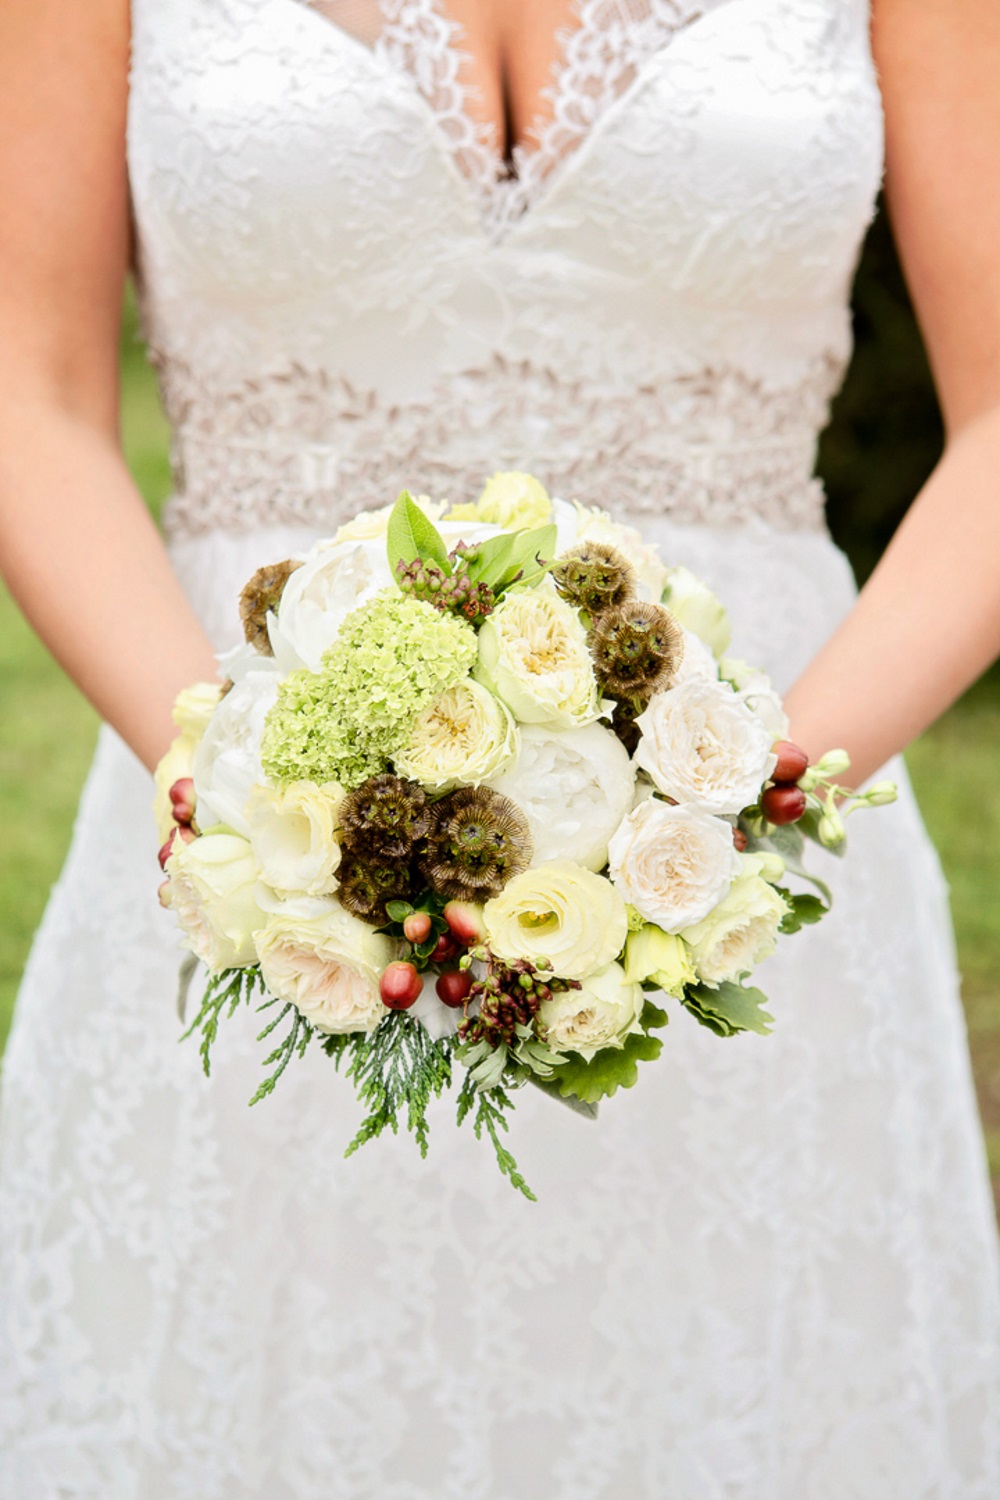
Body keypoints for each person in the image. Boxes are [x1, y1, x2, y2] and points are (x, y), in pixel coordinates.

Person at [1, 0, 999, 1494]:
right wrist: (252, 801)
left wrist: (745, 804)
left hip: (773, 810)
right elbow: (34, 390)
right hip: (242, 811)